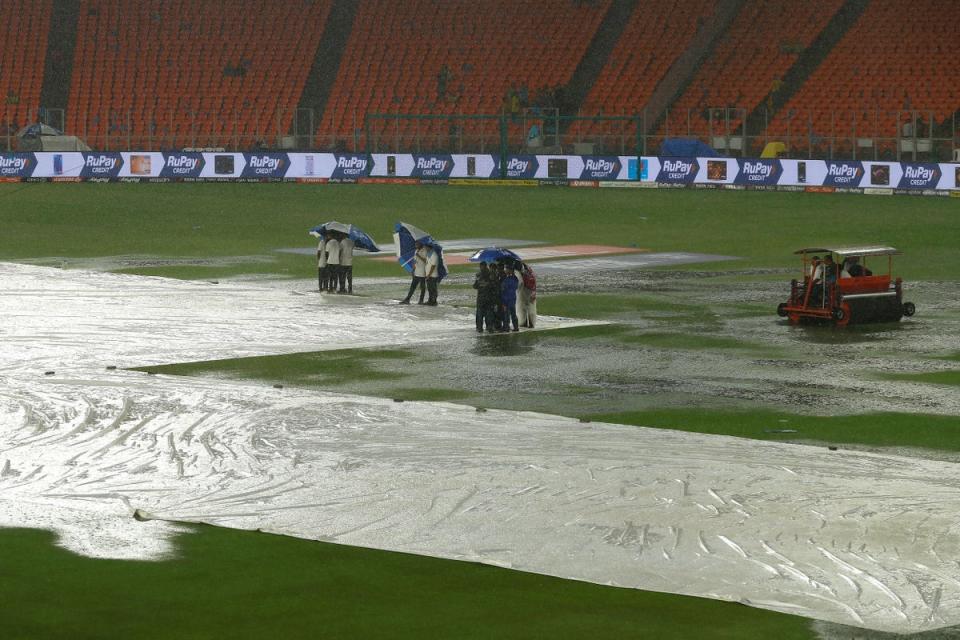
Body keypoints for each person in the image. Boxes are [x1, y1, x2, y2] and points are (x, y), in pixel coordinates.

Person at [472, 262, 497, 332]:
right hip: (485, 299)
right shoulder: (484, 275)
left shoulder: (486, 275)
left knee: (483, 314)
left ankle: (482, 327)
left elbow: (475, 286)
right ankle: (486, 327)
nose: (481, 268)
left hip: (484, 299)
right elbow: (475, 286)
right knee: (486, 314)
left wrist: (485, 284)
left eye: (482, 267)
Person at [517, 262, 537, 328]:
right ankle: (528, 323)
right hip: (527, 291)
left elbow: (520, 285)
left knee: (525, 308)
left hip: (527, 292)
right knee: (527, 308)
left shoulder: (525, 274)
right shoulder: (529, 273)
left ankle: (527, 323)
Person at [499, 266, 520, 332]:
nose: (505, 270)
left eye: (507, 269)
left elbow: (503, 291)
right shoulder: (515, 279)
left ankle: (506, 327)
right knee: (513, 314)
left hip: (507, 299)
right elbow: (515, 287)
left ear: (510, 270)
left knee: (506, 314)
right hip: (513, 298)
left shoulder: (506, 280)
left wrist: (504, 302)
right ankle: (516, 327)